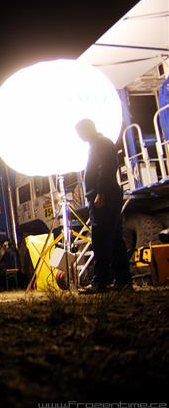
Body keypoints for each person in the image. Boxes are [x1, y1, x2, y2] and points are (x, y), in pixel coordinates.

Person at [75, 118, 130, 293]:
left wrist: (100, 192)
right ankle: (122, 280)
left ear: (87, 129)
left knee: (101, 238)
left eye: (80, 133)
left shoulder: (100, 143)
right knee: (114, 238)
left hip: (103, 196)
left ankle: (100, 281)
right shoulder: (99, 143)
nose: (80, 137)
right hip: (107, 194)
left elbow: (105, 168)